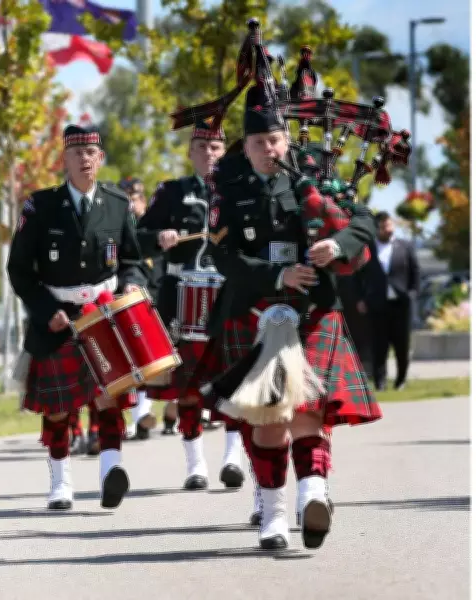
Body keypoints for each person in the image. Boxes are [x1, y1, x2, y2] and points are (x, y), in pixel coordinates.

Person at [188, 68, 382, 550]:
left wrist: (335, 245)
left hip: (314, 309)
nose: (269, 149)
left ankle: (313, 496)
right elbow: (222, 256)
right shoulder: (227, 184)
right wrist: (276, 275)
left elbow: (362, 224)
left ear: (285, 138)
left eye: (275, 139)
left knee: (309, 412)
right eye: (258, 142)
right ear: (246, 145)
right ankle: (274, 515)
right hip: (255, 310)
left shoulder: (315, 169)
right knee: (269, 419)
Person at [7, 124, 146, 511]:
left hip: (104, 315)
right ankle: (60, 483)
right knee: (58, 408)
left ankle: (110, 472)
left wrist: (132, 286)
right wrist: (45, 310)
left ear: (100, 159)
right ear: (64, 160)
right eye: (77, 153)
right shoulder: (40, 205)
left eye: (91, 153)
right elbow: (19, 269)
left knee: (108, 397)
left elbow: (133, 260)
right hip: (58, 317)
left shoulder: (118, 204)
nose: (85, 160)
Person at [136, 121, 245, 491]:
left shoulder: (241, 190)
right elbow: (138, 238)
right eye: (201, 146)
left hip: (230, 294)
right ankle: (195, 464)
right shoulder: (171, 191)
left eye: (216, 147)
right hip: (180, 294)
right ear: (189, 152)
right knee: (189, 385)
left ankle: (233, 457)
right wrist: (158, 237)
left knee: (234, 377)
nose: (209, 154)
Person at [120, 176, 160, 441]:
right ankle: (139, 416)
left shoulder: (156, 224)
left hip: (159, 294)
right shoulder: (121, 228)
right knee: (133, 360)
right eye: (127, 199)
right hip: (132, 296)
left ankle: (149, 413)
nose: (132, 204)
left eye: (135, 198)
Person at [362, 212, 420, 390]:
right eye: (384, 226)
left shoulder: (405, 246)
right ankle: (380, 382)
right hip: (377, 304)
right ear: (376, 228)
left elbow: (415, 272)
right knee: (379, 346)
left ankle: (401, 380)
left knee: (402, 345)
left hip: (401, 305)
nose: (388, 229)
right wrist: (360, 298)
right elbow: (358, 276)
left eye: (390, 225)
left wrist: (412, 294)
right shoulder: (368, 248)